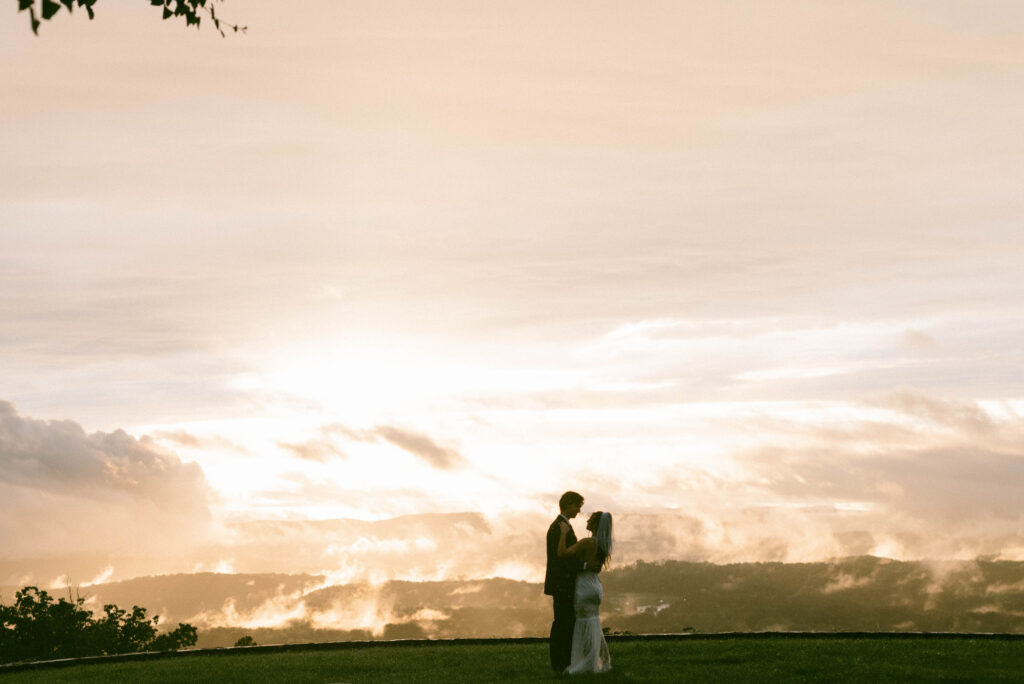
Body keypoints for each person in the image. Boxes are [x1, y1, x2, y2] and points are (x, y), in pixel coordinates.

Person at [558, 511, 613, 675]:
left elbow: (562, 553)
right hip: (595, 586)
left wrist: (563, 534)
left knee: (583, 622)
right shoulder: (603, 545)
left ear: (595, 525)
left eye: (590, 520)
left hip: (584, 585)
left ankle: (586, 661)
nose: (587, 521)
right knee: (593, 622)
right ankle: (598, 658)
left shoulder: (586, 542)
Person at [544, 491, 583, 672]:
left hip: (562, 583)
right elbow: (562, 558)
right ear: (568, 505)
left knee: (564, 622)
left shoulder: (561, 525)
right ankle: (560, 662)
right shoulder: (559, 527)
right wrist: (582, 566)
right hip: (562, 584)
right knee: (563, 623)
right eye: (577, 506)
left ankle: (563, 661)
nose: (579, 511)